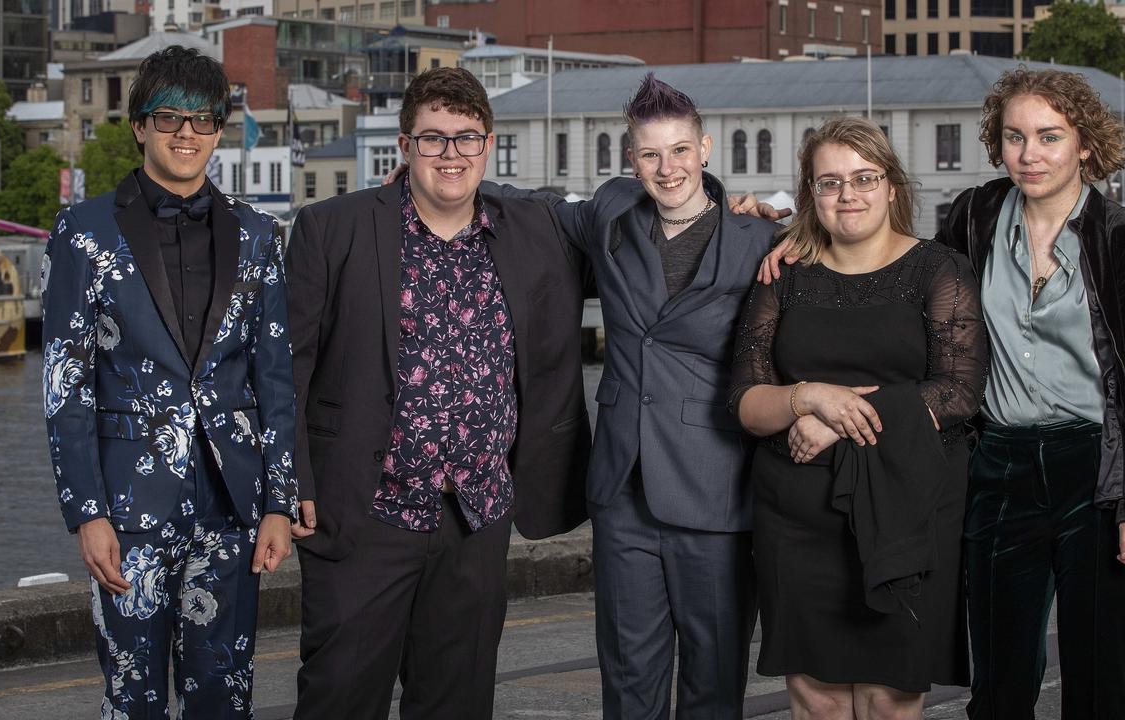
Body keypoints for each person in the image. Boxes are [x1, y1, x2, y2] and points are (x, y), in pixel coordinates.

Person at [284, 67, 592, 720]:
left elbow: (624, 216)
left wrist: (724, 206)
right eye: (432, 139)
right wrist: (293, 485)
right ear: (404, 146)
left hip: (476, 520)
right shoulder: (330, 230)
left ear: (487, 144)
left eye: (465, 138)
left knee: (455, 705)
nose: (450, 154)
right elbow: (286, 370)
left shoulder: (533, 228)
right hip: (365, 515)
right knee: (340, 699)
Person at [479, 73, 772, 719]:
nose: (667, 168)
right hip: (623, 491)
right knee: (629, 675)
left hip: (717, 493)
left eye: (679, 150)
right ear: (630, 158)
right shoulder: (612, 210)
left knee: (713, 678)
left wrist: (801, 230)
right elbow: (532, 205)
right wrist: (448, 177)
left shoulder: (760, 243)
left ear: (706, 149)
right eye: (649, 153)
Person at [41, 45, 297, 719]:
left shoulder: (260, 234)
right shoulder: (82, 232)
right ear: (139, 125)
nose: (186, 133)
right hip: (127, 512)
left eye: (203, 119)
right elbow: (67, 386)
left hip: (232, 504)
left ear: (219, 129)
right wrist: (86, 514)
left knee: (224, 693)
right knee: (133, 696)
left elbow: (274, 376)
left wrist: (279, 501)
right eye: (169, 117)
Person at [731, 116, 988, 720]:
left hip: (908, 506)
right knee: (815, 699)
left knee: (890, 699)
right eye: (829, 182)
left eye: (864, 178)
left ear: (892, 186)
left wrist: (839, 416)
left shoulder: (940, 270)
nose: (848, 194)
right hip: (797, 515)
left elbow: (959, 392)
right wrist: (807, 399)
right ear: (810, 195)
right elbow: (743, 398)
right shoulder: (783, 273)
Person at [938, 67, 1125, 720]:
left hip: (1096, 471)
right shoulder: (976, 216)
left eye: (1049, 137)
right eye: (1015, 137)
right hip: (1000, 469)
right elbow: (909, 289)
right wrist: (782, 231)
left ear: (1085, 145)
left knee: (1098, 688)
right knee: (999, 690)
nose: (1029, 154)